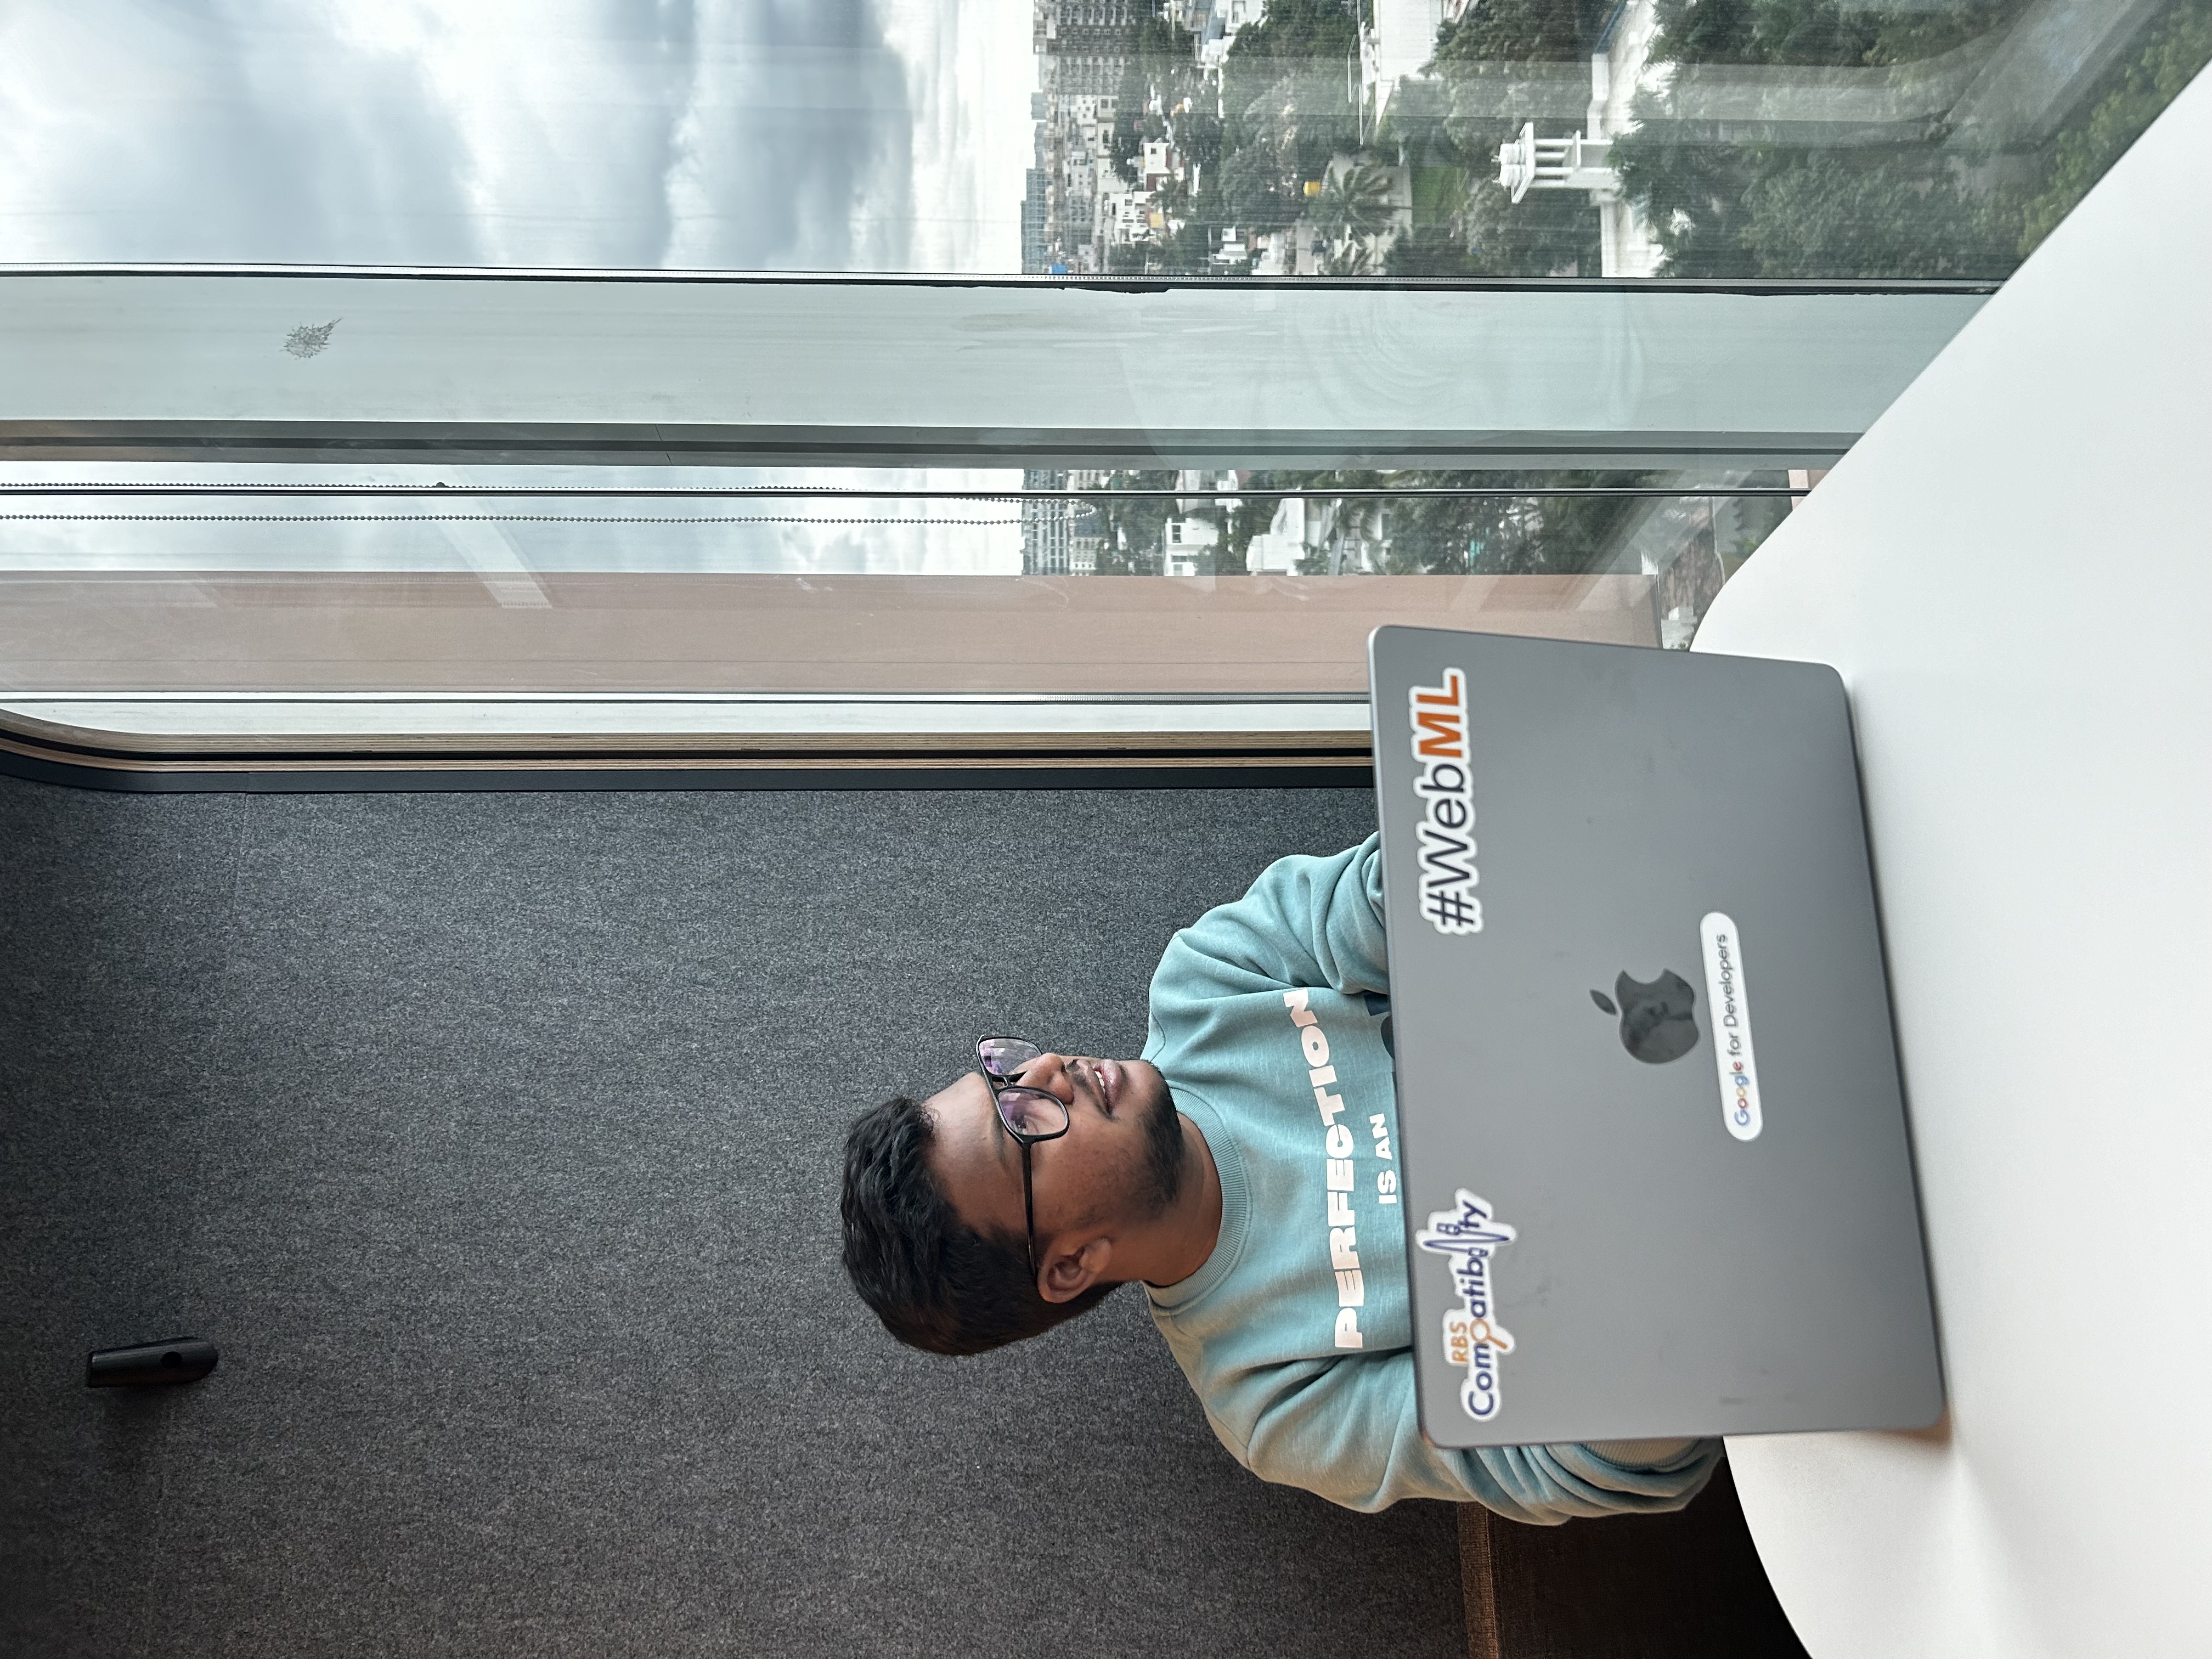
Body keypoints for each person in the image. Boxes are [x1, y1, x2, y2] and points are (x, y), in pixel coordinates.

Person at [839, 834, 1720, 1521]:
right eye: (1019, 1125)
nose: (1045, 1074)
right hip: (1725, 1245)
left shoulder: (1209, 982)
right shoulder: (1273, 1400)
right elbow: (1586, 1461)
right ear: (1069, 1264)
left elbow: (1447, 875)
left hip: (1700, 960)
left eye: (1003, 1073)